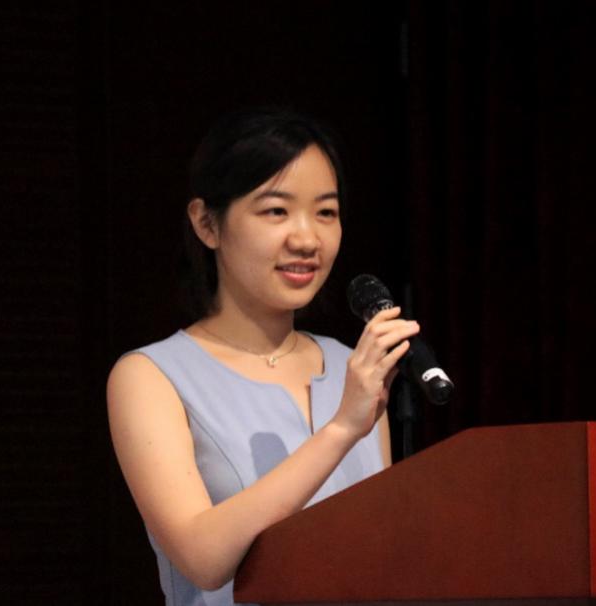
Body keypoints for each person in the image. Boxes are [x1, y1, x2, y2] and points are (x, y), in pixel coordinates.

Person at [107, 108, 420, 606]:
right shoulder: (150, 376)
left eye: (326, 213)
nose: (306, 239)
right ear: (207, 223)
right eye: (276, 211)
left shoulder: (352, 366)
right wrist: (342, 429)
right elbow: (203, 558)